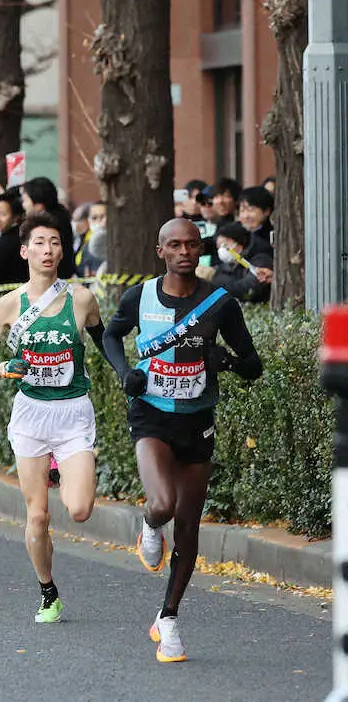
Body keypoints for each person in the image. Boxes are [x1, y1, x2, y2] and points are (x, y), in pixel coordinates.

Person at [103, 218, 262, 663]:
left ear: (201, 249)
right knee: (163, 504)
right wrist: (125, 374)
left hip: (198, 420)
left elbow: (253, 366)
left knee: (189, 527)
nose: (185, 252)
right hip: (151, 414)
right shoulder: (140, 297)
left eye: (192, 244)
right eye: (175, 245)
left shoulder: (220, 303)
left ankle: (168, 619)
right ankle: (150, 526)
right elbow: (111, 336)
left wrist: (224, 361)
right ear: (161, 251)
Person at [0, 213, 107, 623]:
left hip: (73, 413)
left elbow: (106, 344)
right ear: (24, 250)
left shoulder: (82, 299)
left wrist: (128, 375)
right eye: (40, 243)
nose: (48, 251)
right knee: (38, 515)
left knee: (80, 509)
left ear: (62, 250)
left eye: (55, 243)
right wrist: (1, 369)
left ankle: (59, 467)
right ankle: (48, 591)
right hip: (31, 416)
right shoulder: (7, 305)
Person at [198, 223, 272, 303]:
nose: (221, 250)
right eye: (218, 246)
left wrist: (213, 277)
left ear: (239, 243)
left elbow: (247, 290)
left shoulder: (261, 260)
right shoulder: (228, 265)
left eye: (224, 245)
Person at [20, 178, 76, 278]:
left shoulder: (48, 225)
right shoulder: (61, 216)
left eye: (25, 200)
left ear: (38, 205)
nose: (23, 205)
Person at [237, 185, 274, 257]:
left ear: (266, 211)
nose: (246, 216)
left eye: (251, 210)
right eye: (242, 210)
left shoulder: (270, 237)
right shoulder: (238, 232)